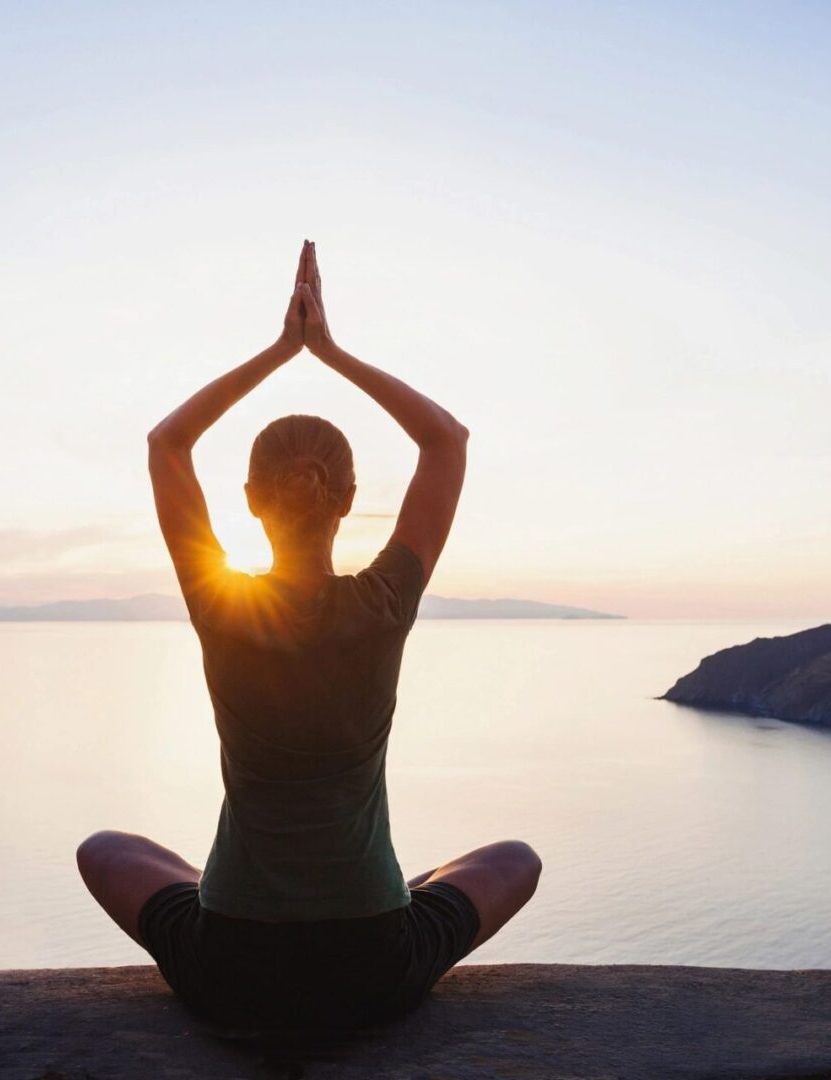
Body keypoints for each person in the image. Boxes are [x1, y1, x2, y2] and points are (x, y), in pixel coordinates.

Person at [77, 240, 541, 1032]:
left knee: (104, 850)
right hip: (373, 966)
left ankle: (232, 893)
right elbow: (447, 442)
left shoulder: (222, 605)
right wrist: (329, 351)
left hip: (233, 966)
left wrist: (280, 351)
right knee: (514, 861)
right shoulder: (384, 602)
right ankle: (387, 889)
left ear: (252, 500)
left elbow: (166, 446)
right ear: (349, 498)